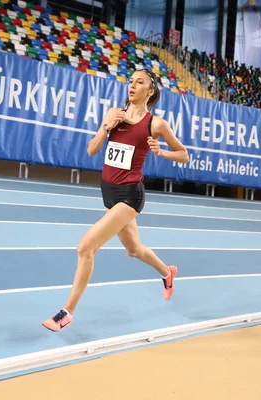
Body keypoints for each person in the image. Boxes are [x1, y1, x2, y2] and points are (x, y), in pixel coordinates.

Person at [42, 69, 190, 332]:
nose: (132, 85)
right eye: (130, 81)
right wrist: (105, 126)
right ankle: (168, 273)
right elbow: (91, 150)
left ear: (151, 91)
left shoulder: (155, 124)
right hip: (108, 192)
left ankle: (67, 312)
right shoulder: (114, 115)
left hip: (130, 196)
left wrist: (162, 153)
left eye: (139, 82)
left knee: (85, 247)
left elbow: (184, 154)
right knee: (134, 250)